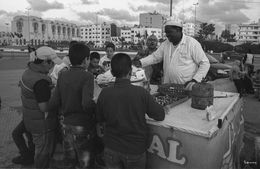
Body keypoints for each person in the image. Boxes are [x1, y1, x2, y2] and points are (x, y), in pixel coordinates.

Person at [96, 53, 165, 169]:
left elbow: (99, 119)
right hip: (134, 151)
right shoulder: (141, 93)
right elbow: (160, 115)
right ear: (131, 72)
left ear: (112, 73)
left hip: (111, 148)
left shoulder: (104, 93)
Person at [48, 43, 96, 168]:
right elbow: (86, 104)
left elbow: (54, 102)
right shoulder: (88, 76)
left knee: (70, 161)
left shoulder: (63, 75)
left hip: (66, 125)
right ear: (86, 59)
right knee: (84, 162)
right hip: (82, 125)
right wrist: (95, 108)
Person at [134, 19, 210, 90]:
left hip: (186, 88)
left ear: (178, 30)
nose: (167, 35)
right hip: (167, 87)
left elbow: (205, 63)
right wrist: (141, 62)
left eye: (169, 32)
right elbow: (155, 57)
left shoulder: (192, 43)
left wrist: (195, 80)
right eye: (166, 32)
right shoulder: (165, 44)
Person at [20, 46, 62, 168]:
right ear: (44, 62)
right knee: (42, 154)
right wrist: (56, 96)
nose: (53, 65)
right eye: (52, 62)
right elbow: (44, 107)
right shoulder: (41, 82)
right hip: (42, 124)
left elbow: (32, 94)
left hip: (31, 120)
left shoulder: (28, 72)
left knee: (39, 150)